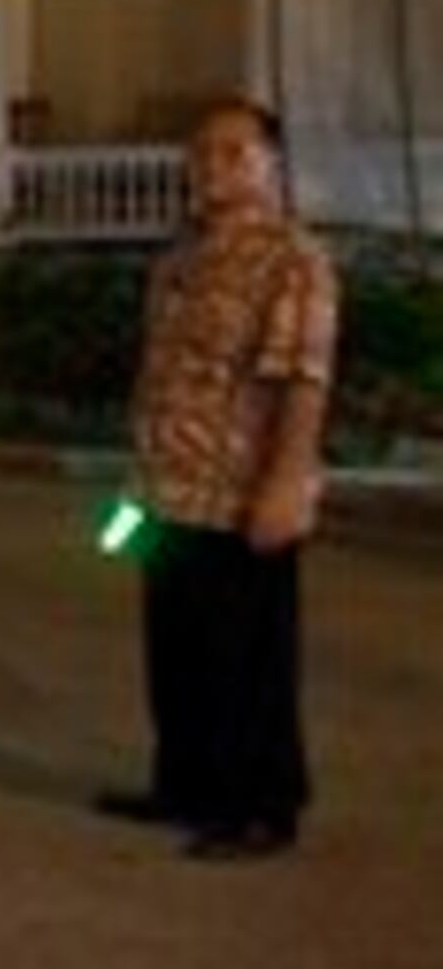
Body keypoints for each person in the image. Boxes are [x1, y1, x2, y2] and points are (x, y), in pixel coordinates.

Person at [98, 99, 337, 862]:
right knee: (177, 646)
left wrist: (287, 480)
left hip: (242, 492)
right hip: (169, 487)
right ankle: (187, 782)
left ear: (272, 164)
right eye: (203, 153)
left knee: (249, 655)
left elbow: (302, 377)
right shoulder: (181, 259)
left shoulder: (292, 259)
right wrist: (134, 486)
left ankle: (261, 803)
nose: (215, 166)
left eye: (236, 152)